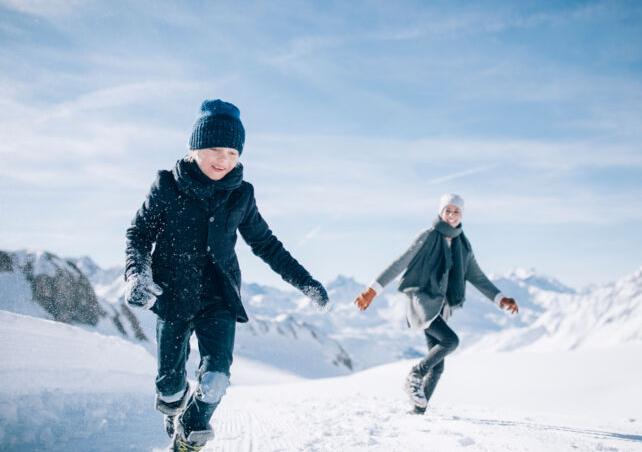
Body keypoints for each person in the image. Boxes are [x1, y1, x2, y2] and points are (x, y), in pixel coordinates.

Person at [125, 99, 330, 451]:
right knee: (169, 388)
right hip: (172, 295)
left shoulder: (241, 195)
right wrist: (137, 273)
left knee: (216, 379)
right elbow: (139, 234)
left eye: (233, 152)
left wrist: (306, 282)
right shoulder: (166, 186)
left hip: (219, 296)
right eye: (215, 149)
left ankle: (190, 434)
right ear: (194, 148)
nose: (224, 160)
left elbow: (267, 245)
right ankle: (175, 405)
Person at [354, 194, 518, 414]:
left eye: (456, 211)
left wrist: (500, 298)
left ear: (462, 215)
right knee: (450, 341)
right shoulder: (428, 236)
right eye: (447, 211)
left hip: (442, 305)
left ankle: (418, 413)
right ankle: (415, 374)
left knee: (438, 366)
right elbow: (400, 262)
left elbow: (477, 276)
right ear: (441, 213)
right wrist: (372, 290)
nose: (451, 215)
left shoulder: (463, 244)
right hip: (421, 299)